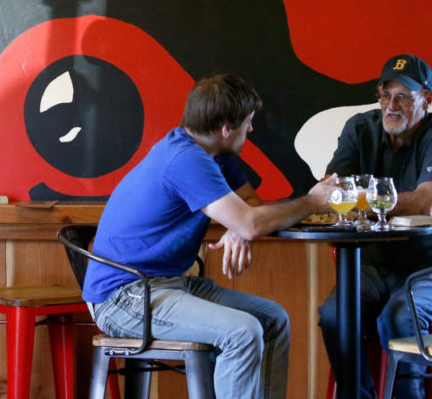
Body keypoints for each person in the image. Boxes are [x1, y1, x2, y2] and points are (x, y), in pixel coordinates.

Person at [82, 74, 337, 399]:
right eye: (248, 122)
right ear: (226, 129)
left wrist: (239, 227)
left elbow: (251, 210)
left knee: (273, 319)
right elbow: (251, 219)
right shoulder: (186, 159)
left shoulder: (217, 156)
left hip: (164, 284)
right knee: (242, 333)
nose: (252, 129)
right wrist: (313, 202)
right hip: (125, 297)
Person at [317, 54, 432, 399]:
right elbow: (330, 191)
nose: (391, 105)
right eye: (385, 95)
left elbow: (424, 202)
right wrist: (372, 201)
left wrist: (362, 202)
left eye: (403, 96)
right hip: (373, 262)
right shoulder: (360, 128)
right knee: (334, 316)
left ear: (428, 99)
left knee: (398, 317)